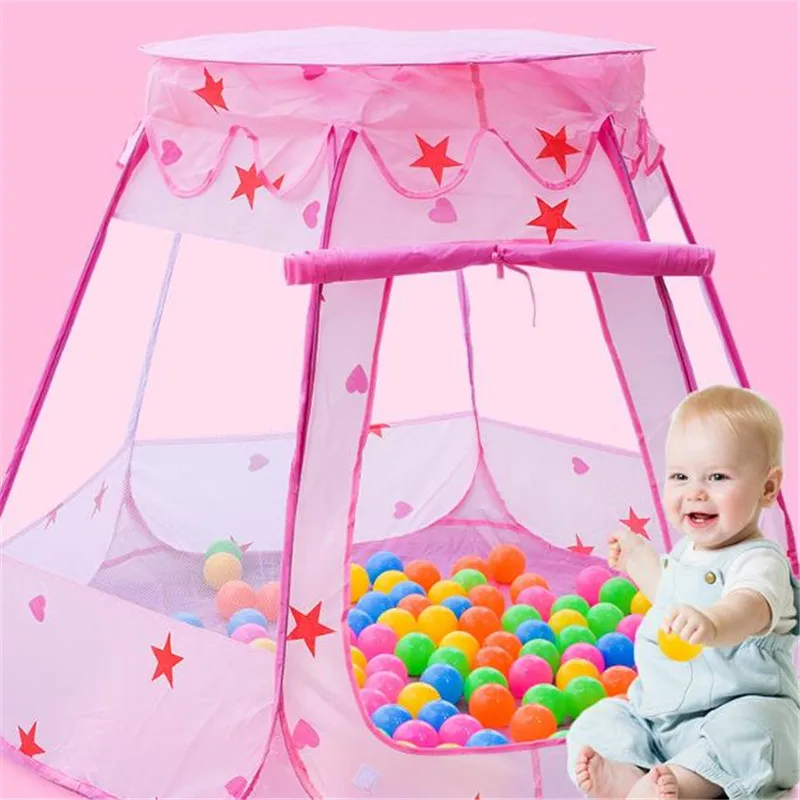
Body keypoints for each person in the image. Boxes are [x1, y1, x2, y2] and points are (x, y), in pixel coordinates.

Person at [566, 385, 800, 799]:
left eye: (717, 477)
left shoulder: (761, 562)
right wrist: (639, 560)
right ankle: (628, 775)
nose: (695, 492)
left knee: (755, 731)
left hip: (734, 714)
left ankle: (688, 784)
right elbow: (670, 596)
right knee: (599, 720)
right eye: (680, 476)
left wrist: (713, 622)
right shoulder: (686, 553)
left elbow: (749, 606)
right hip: (660, 720)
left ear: (767, 488)